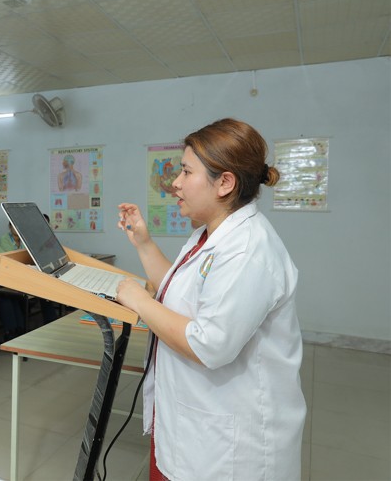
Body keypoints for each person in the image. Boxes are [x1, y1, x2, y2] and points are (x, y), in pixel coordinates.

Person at [115, 118, 305, 480]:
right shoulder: (211, 234)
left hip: (229, 447)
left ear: (225, 183)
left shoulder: (247, 250)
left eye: (186, 172)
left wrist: (139, 301)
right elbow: (178, 291)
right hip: (193, 427)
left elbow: (209, 344)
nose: (175, 182)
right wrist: (143, 242)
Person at [0, 222, 58, 325]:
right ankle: (25, 325)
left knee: (46, 287)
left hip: (24, 273)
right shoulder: (4, 240)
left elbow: (31, 257)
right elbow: (11, 261)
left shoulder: (24, 239)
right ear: (9, 227)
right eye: (14, 226)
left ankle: (50, 320)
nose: (17, 228)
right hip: (13, 275)